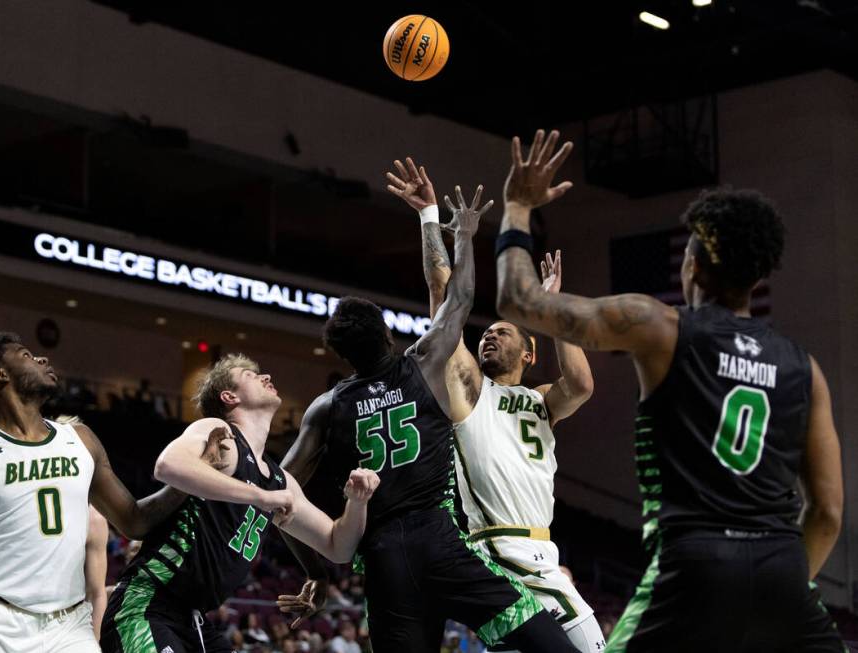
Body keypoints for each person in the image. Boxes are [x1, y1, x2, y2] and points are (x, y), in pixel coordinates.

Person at [495, 129, 846, 652]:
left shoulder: (660, 327)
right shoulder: (805, 368)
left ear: (695, 262)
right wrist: (780, 583)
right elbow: (828, 512)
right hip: (782, 570)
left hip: (695, 562)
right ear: (758, 276)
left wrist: (519, 207)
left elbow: (517, 300)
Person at [278, 188, 577, 652]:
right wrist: (462, 236)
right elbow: (456, 298)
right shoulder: (419, 365)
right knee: (551, 645)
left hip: (382, 563)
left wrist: (315, 572)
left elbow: (280, 495)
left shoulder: (326, 407)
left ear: (340, 354)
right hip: (441, 543)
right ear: (387, 334)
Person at [387, 156, 605, 652]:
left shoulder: (542, 400)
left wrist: (551, 309)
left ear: (529, 353)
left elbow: (583, 383)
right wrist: (427, 217)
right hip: (498, 547)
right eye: (485, 333)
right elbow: (443, 297)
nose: (489, 336)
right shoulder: (469, 392)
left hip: (541, 548)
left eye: (502, 332)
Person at [0, 332, 190, 653]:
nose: (42, 359)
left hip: (67, 626)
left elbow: (134, 521)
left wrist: (189, 481)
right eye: (26, 355)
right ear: (0, 374)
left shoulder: (81, 439)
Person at [100, 354, 380, 653]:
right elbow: (169, 465)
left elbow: (339, 546)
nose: (266, 377)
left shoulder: (278, 479)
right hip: (147, 605)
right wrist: (261, 497)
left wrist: (358, 502)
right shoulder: (220, 433)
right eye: (250, 375)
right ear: (229, 396)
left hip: (193, 620)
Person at [86, 506, 109, 640]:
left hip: (72, 619)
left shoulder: (94, 519)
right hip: (19, 615)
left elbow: (98, 593)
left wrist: (96, 642)